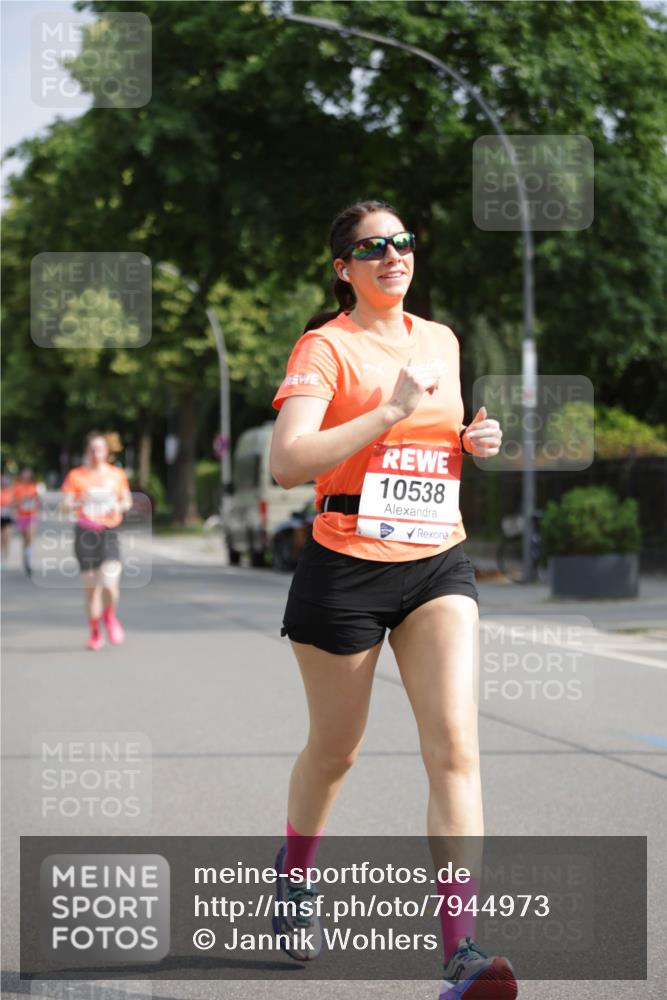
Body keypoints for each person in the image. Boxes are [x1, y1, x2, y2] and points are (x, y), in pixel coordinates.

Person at [269, 200, 517, 999]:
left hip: (436, 560)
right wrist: (387, 412)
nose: (393, 255)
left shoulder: (438, 340)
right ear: (343, 268)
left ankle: (460, 952)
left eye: (402, 242)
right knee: (335, 750)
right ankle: (295, 872)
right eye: (372, 247)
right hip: (343, 566)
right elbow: (286, 462)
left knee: (454, 749)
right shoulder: (325, 348)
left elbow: (439, 438)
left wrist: (473, 441)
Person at [61, 431, 133, 651]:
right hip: (85, 533)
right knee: (91, 589)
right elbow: (64, 507)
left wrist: (116, 506)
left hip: (109, 531)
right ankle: (94, 632)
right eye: (92, 449)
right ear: (87, 451)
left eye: (100, 449)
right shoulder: (76, 476)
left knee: (110, 585)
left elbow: (127, 502)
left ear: (107, 452)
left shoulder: (117, 475)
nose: (96, 453)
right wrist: (79, 501)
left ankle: (109, 617)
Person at [12, 467, 43, 576]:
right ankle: (26, 556)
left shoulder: (34, 486)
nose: (26, 475)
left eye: (28, 474)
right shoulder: (17, 487)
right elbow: (13, 503)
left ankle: (29, 561)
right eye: (24, 473)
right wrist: (21, 502)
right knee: (25, 539)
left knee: (30, 537)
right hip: (21, 516)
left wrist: (35, 502)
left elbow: (39, 502)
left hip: (32, 515)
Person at [1, 473, 15, 565]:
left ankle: (5, 554)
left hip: (8, 517)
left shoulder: (11, 492)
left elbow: (15, 504)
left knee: (7, 537)